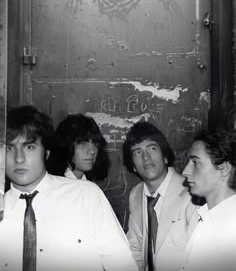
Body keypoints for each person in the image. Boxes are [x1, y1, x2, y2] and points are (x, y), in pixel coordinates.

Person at [0, 105, 138, 271]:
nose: (19, 158)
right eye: (9, 148)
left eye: (29, 147)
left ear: (46, 152)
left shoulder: (86, 195)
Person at [123, 121, 198, 271]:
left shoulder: (192, 193)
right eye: (137, 152)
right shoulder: (136, 194)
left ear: (165, 156)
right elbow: (135, 248)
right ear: (132, 165)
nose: (146, 157)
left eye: (152, 148)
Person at [181, 128, 236, 271]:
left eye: (195, 162)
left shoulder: (231, 229)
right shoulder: (207, 216)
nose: (185, 171)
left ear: (224, 169)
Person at [48, 113, 109, 181]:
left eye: (95, 144)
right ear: (65, 145)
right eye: (82, 143)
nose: (92, 151)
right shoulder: (54, 185)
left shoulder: (87, 185)